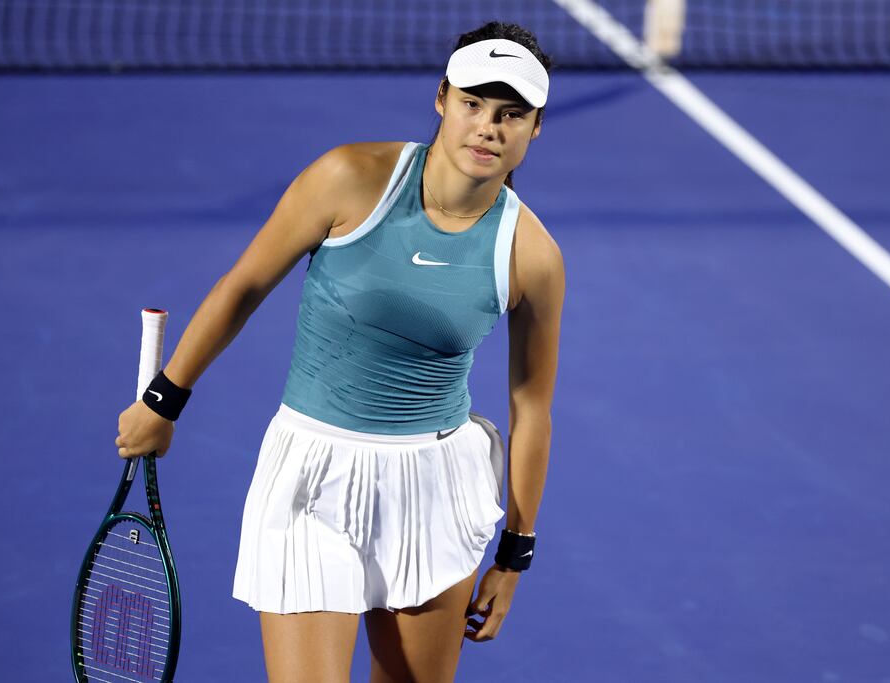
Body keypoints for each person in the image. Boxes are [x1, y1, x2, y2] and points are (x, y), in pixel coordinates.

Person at [114, 20, 564, 683]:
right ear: (442, 98)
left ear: (535, 127)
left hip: (436, 488)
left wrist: (514, 556)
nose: (487, 128)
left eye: (510, 114)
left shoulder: (532, 255)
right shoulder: (347, 178)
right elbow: (243, 286)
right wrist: (165, 400)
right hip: (313, 476)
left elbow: (533, 408)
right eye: (473, 103)